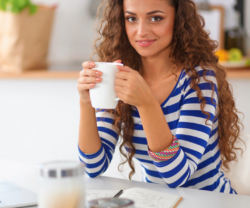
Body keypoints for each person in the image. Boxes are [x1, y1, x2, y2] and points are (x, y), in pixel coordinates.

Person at [77, 0, 243, 194]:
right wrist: (86, 102)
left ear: (178, 20)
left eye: (155, 18)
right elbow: (92, 166)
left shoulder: (199, 80)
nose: (141, 31)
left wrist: (146, 103)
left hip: (210, 202)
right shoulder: (120, 78)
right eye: (131, 18)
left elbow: (178, 176)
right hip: (157, 202)